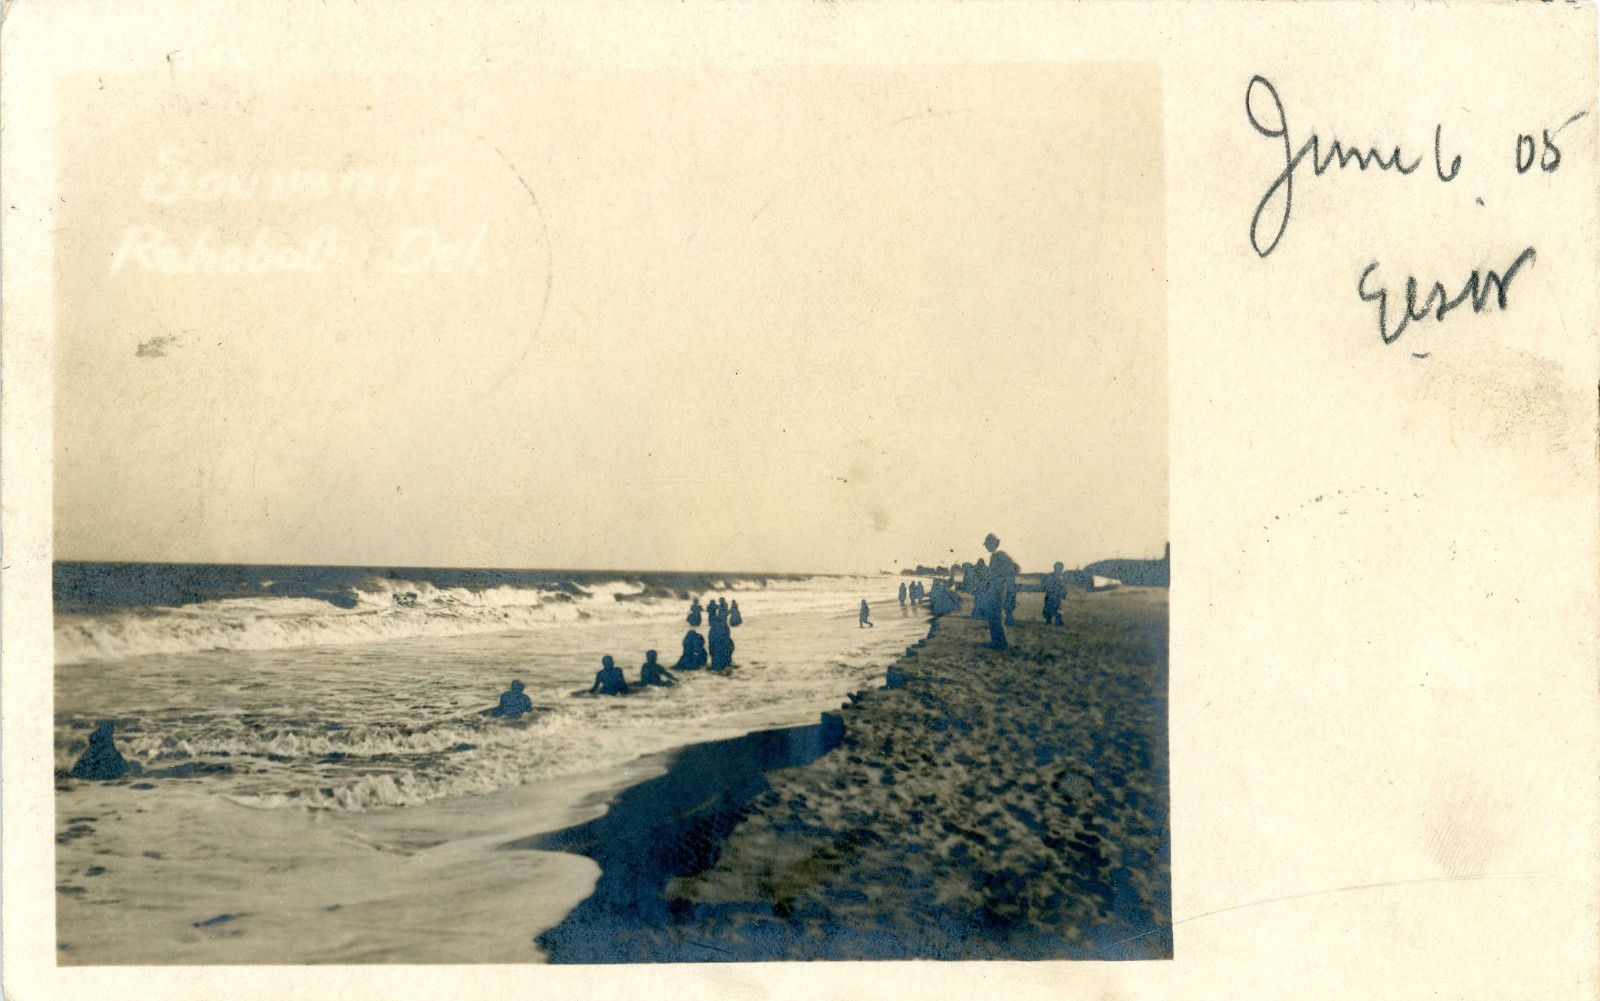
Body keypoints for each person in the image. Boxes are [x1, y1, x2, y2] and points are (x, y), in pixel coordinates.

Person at [979, 534, 1018, 649]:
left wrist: (1000, 575)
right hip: (994, 589)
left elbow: (1015, 568)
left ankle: (1000, 643)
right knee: (993, 616)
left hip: (999, 589)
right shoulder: (994, 556)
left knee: (996, 615)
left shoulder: (1001, 555)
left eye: (988, 544)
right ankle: (996, 641)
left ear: (994, 544)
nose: (986, 547)